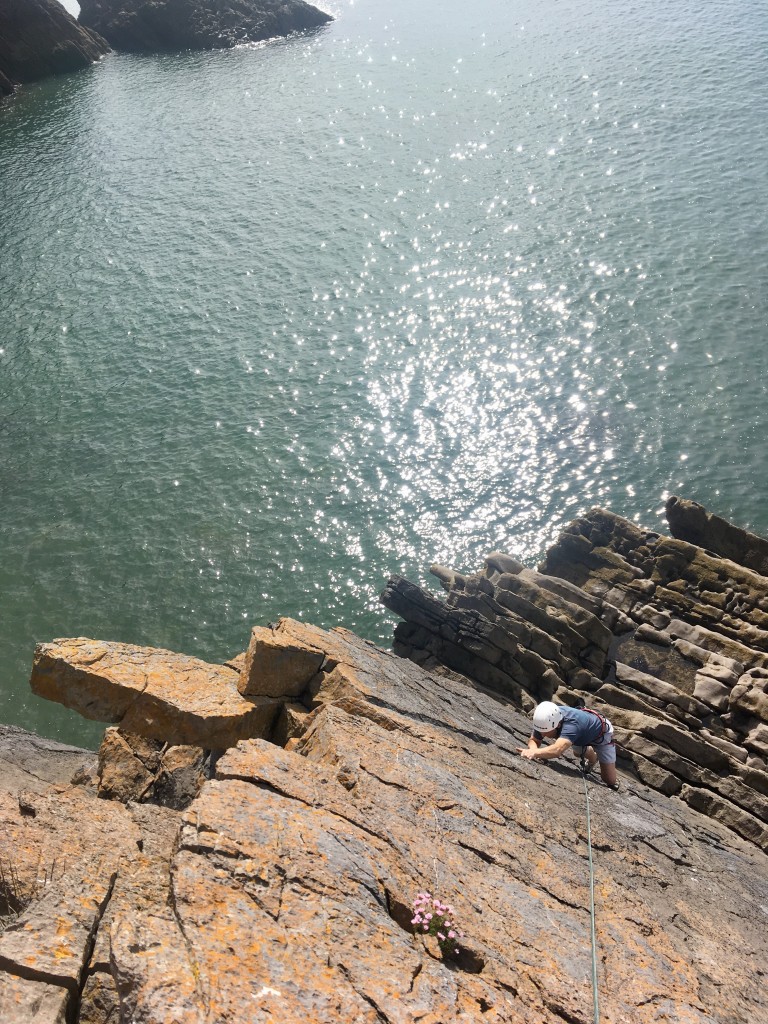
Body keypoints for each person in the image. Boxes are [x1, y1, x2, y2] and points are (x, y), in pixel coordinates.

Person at [518, 701, 618, 789]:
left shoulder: (571, 726)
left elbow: (557, 750)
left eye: (546, 731)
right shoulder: (546, 717)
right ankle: (593, 758)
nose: (542, 734)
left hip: (602, 735)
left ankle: (594, 758)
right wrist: (533, 750)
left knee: (609, 780)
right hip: (580, 735)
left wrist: (535, 752)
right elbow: (534, 740)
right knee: (577, 753)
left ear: (557, 725)